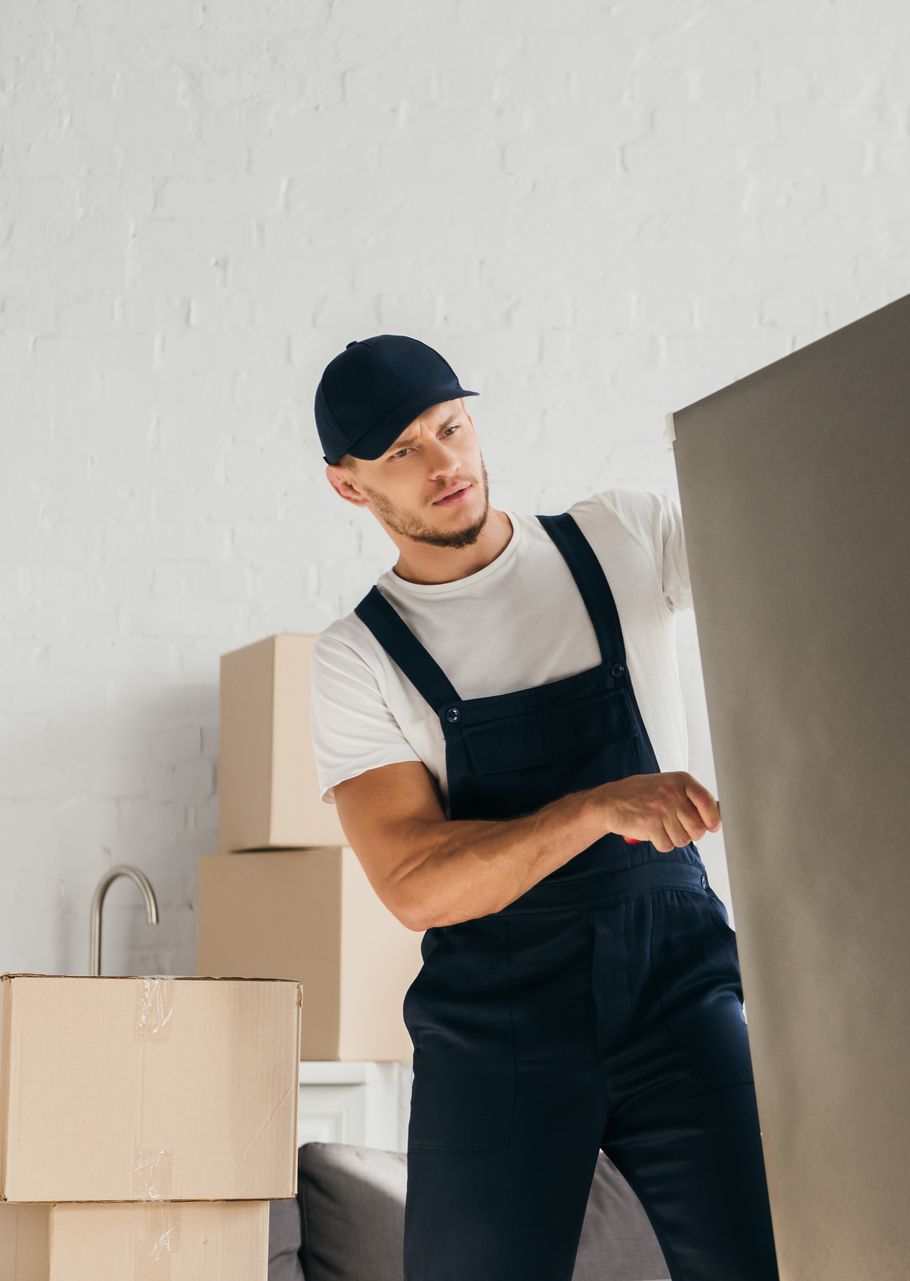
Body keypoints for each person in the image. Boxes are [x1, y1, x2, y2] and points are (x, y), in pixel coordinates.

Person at [306, 335, 778, 1281]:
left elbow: (796, 569)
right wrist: (597, 807)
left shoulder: (623, 536)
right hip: (499, 1024)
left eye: (451, 427)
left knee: (784, 1253)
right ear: (350, 487)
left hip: (679, 986)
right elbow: (415, 883)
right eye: (402, 451)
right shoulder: (359, 658)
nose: (444, 463)